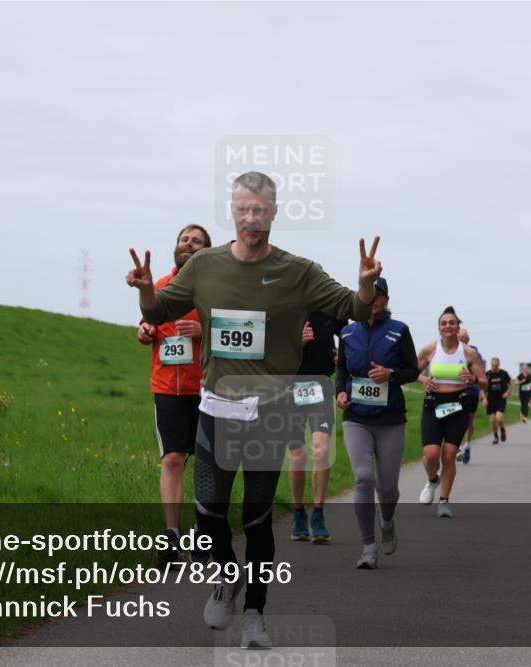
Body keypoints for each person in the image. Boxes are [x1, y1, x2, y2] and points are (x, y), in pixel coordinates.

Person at [128, 171, 379, 649]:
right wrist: (144, 290)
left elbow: (354, 308)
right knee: (209, 513)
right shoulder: (204, 265)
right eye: (242, 209)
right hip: (217, 408)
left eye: (259, 210)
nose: (250, 218)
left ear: (274, 212)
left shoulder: (299, 271)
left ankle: (255, 617)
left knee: (258, 520)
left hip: (272, 410)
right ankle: (226, 577)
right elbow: (159, 311)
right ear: (233, 210)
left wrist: (365, 286)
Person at [136, 224, 211, 564]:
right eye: (184, 239)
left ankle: (202, 530)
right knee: (172, 459)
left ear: (206, 251)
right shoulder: (160, 288)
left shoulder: (215, 291)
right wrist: (145, 330)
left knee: (207, 463)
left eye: (196, 241)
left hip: (208, 387)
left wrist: (203, 329)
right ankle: (171, 536)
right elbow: (148, 323)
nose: (188, 244)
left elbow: (237, 331)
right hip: (168, 386)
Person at [335, 278, 419, 569]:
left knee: (387, 488)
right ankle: (368, 546)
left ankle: (387, 520)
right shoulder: (347, 332)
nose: (374, 300)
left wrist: (391, 374)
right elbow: (342, 369)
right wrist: (341, 392)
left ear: (386, 300)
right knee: (363, 478)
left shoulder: (399, 331)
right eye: (369, 294)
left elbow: (413, 370)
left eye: (379, 296)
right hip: (356, 418)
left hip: (390, 419)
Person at [416, 307, 488, 518]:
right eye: (444, 323)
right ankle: (432, 480)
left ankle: (444, 501)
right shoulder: (430, 349)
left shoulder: (468, 353)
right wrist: (424, 380)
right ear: (439, 328)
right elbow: (412, 370)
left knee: (448, 455)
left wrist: (473, 379)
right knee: (431, 455)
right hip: (433, 404)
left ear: (458, 327)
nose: (448, 326)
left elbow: (484, 383)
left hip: (458, 405)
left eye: (452, 323)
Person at [289, 310, 346, 544]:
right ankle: (299, 512)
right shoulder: (287, 308)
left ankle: (319, 514)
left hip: (321, 387)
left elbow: (350, 333)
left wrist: (345, 354)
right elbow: (268, 345)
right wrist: (294, 343)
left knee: (321, 450)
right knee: (298, 456)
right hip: (290, 387)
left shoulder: (328, 312)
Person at [455, 328, 484, 464]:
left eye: (465, 337)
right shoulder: (450, 350)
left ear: (468, 339)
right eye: (460, 336)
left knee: (469, 421)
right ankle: (457, 446)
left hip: (471, 390)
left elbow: (482, 376)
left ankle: (467, 445)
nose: (462, 339)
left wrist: (483, 392)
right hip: (454, 390)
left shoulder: (474, 352)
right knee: (457, 418)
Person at [484, 357, 511, 444]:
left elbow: (510, 384)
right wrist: (484, 398)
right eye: (492, 365)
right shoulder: (487, 374)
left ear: (499, 365)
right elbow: (482, 388)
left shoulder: (503, 373)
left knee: (498, 419)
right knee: (492, 420)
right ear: (490, 365)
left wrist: (507, 393)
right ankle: (496, 437)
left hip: (501, 399)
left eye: (496, 365)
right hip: (490, 399)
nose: (494, 367)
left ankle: (502, 429)